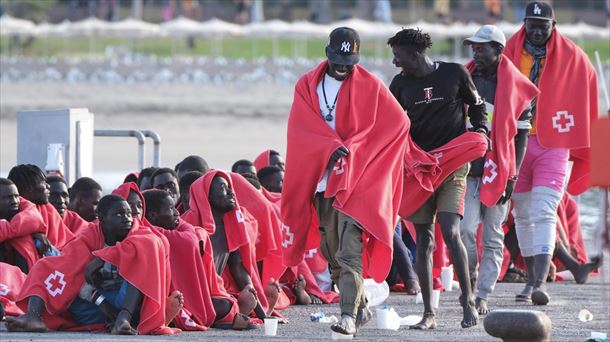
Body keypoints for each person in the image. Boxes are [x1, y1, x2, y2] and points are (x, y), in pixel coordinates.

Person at [282, 27, 412, 335]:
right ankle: (361, 306)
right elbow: (300, 128)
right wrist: (327, 147)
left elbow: (399, 124)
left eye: (349, 60)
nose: (343, 66)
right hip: (322, 180)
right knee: (331, 249)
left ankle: (347, 317)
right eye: (338, 59)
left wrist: (358, 149)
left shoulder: (372, 86)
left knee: (350, 249)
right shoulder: (307, 85)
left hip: (358, 182)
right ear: (327, 53)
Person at [388, 28, 490, 329]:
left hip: (453, 164)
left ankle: (467, 301)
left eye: (399, 56)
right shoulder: (400, 84)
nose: (395, 63)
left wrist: (481, 128)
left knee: (450, 229)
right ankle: (429, 313)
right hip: (421, 169)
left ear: (416, 53)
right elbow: (391, 123)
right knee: (424, 240)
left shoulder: (454, 74)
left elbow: (477, 106)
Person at [504, 1, 599, 305]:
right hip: (516, 142)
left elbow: (589, 84)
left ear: (553, 26)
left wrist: (584, 129)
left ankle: (535, 284)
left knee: (544, 211)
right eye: (531, 25)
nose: (536, 31)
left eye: (542, 26)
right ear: (524, 24)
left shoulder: (572, 56)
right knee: (523, 214)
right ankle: (537, 276)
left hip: (554, 143)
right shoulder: (510, 49)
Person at [6, 195, 180, 335]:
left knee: (140, 255)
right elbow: (71, 272)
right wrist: (102, 303)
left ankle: (127, 319)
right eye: (118, 214)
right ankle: (33, 316)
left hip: (130, 301)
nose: (127, 218)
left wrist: (103, 257)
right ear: (102, 219)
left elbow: (154, 245)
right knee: (45, 266)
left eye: (128, 213)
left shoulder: (142, 234)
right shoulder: (89, 237)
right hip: (99, 305)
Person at [460, 25, 539, 314]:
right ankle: (469, 279)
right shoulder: (463, 78)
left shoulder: (518, 87)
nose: (476, 52)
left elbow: (521, 136)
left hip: (501, 170)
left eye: (482, 48)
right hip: (469, 168)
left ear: (499, 51)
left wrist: (513, 175)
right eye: (474, 47)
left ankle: (482, 295)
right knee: (465, 229)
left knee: (493, 236)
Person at [143, 189, 255, 330]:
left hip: (190, 296)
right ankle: (165, 316)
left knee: (225, 303)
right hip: (162, 298)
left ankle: (236, 311)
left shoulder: (186, 228)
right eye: (171, 209)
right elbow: (188, 239)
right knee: (211, 308)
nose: (177, 212)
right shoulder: (152, 234)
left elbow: (236, 264)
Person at [183, 170, 276, 322]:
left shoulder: (230, 226)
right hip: (190, 294)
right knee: (224, 305)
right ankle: (237, 313)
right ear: (208, 197)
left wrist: (263, 315)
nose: (231, 193)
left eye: (230, 188)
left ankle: (239, 312)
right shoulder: (190, 224)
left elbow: (238, 268)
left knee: (227, 302)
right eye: (223, 189)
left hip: (214, 294)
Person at [8, 165, 74, 254]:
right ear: (28, 189)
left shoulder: (48, 209)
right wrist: (31, 233)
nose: (48, 186)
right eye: (43, 182)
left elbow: (69, 242)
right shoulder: (12, 210)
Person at [0, 178, 46, 273]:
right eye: (8, 197)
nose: (15, 201)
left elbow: (33, 216)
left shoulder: (26, 228)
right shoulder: (25, 227)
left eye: (16, 196)